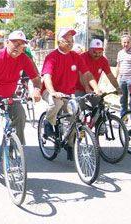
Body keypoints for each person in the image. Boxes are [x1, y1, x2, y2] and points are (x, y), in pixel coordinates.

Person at [0, 30, 42, 169]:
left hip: (9, 94)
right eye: (15, 43)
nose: (17, 47)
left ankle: (13, 145)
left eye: (21, 44)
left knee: (20, 115)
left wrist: (36, 90)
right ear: (7, 43)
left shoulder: (24, 58)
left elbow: (36, 78)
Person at [41, 28, 100, 160]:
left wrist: (96, 88)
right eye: (66, 40)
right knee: (56, 102)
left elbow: (87, 74)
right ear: (59, 42)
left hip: (68, 93)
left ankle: (70, 144)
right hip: (50, 90)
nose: (70, 43)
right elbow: (47, 76)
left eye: (71, 40)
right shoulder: (52, 57)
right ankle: (47, 122)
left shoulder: (75, 57)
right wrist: (53, 92)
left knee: (75, 114)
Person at [75, 39, 122, 110]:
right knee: (79, 108)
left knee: (100, 107)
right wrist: (87, 88)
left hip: (93, 89)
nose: (97, 54)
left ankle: (94, 120)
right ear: (89, 49)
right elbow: (82, 75)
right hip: (79, 88)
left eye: (100, 52)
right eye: (94, 52)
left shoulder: (103, 60)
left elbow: (110, 75)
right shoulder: (82, 58)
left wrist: (117, 87)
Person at [116, 35, 131, 121]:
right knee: (123, 100)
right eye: (124, 42)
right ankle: (123, 117)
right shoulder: (120, 53)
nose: (126, 44)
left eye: (128, 42)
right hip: (122, 79)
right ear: (121, 43)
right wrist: (115, 77)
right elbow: (118, 66)